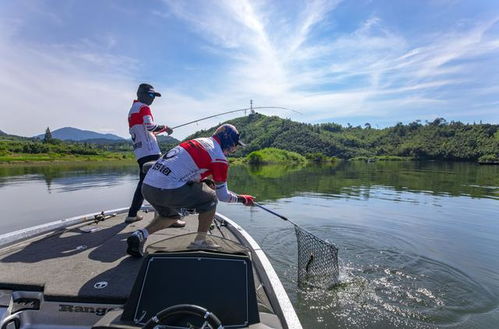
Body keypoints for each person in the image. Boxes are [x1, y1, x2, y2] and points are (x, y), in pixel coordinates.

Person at [126, 123, 255, 257]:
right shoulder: (219, 158)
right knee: (211, 198)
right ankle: (200, 241)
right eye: (234, 145)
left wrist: (204, 181)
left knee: (172, 216)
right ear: (228, 141)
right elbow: (222, 196)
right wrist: (242, 199)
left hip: (147, 187)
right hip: (167, 189)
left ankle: (139, 235)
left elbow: (186, 169)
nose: (234, 149)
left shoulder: (199, 141)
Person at [125, 83, 185, 228]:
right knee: (162, 182)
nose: (152, 99)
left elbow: (143, 130)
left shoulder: (132, 110)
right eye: (151, 95)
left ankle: (132, 214)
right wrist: (165, 127)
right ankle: (168, 218)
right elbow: (150, 126)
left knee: (143, 184)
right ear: (141, 94)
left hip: (141, 152)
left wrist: (156, 132)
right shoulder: (144, 107)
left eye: (154, 96)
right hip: (151, 151)